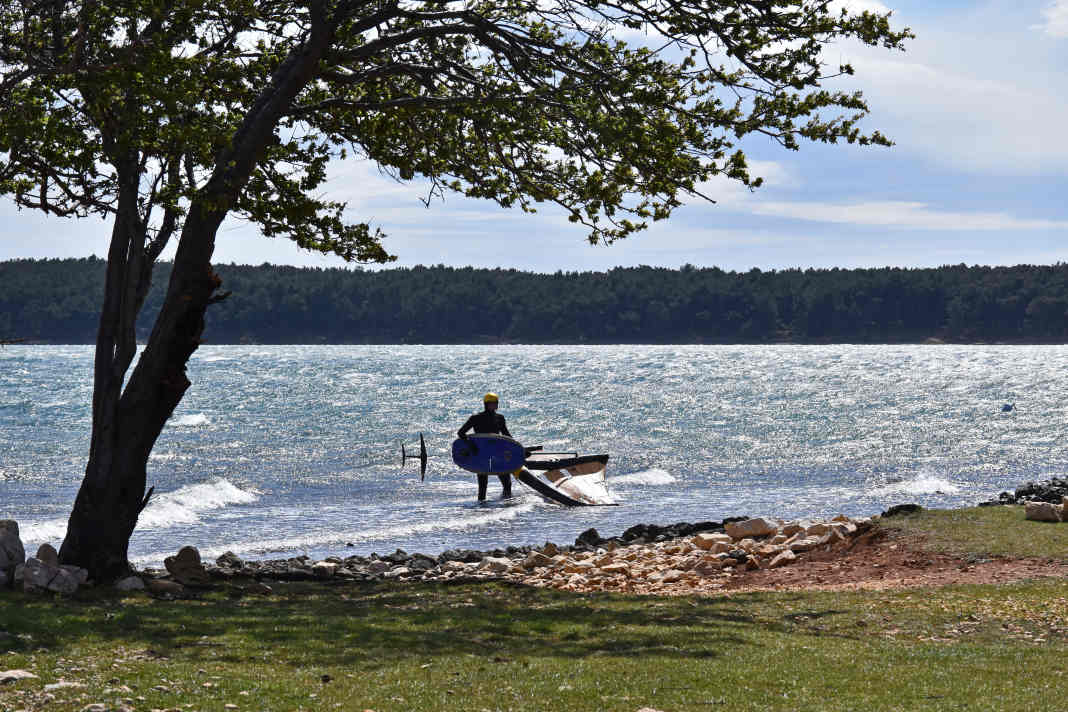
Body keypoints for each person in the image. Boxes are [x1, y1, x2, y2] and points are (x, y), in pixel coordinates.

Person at [458, 392, 514, 500]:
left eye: (496, 403)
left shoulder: (500, 418)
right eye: (491, 403)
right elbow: (461, 433)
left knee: (507, 484)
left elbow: (506, 435)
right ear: (486, 404)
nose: (494, 405)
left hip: (497, 453)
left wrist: (518, 448)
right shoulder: (475, 418)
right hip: (480, 454)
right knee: (483, 486)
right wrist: (471, 445)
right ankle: (482, 509)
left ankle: (506, 505)